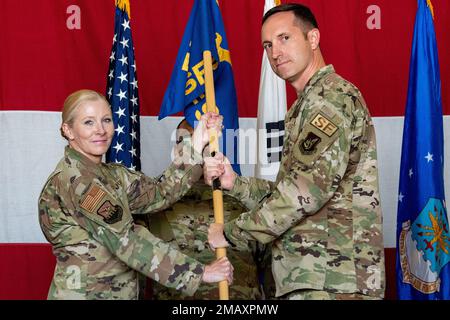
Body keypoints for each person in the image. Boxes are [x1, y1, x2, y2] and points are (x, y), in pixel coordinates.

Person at [205, 3, 385, 300]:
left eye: (284, 38)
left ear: (312, 39)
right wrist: (234, 183)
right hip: (313, 278)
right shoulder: (306, 105)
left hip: (333, 282)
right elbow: (291, 190)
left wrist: (231, 232)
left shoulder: (331, 99)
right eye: (267, 44)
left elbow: (304, 192)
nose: (275, 52)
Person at [38, 89, 233, 300]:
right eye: (88, 122)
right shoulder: (75, 180)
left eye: (106, 120)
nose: (101, 130)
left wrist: (196, 143)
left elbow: (160, 193)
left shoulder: (111, 175)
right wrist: (200, 273)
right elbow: (127, 239)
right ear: (68, 130)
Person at [146, 119, 263, 300]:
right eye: (185, 141)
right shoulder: (153, 200)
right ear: (177, 150)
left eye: (204, 139)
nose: (197, 146)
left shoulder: (242, 197)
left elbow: (273, 256)